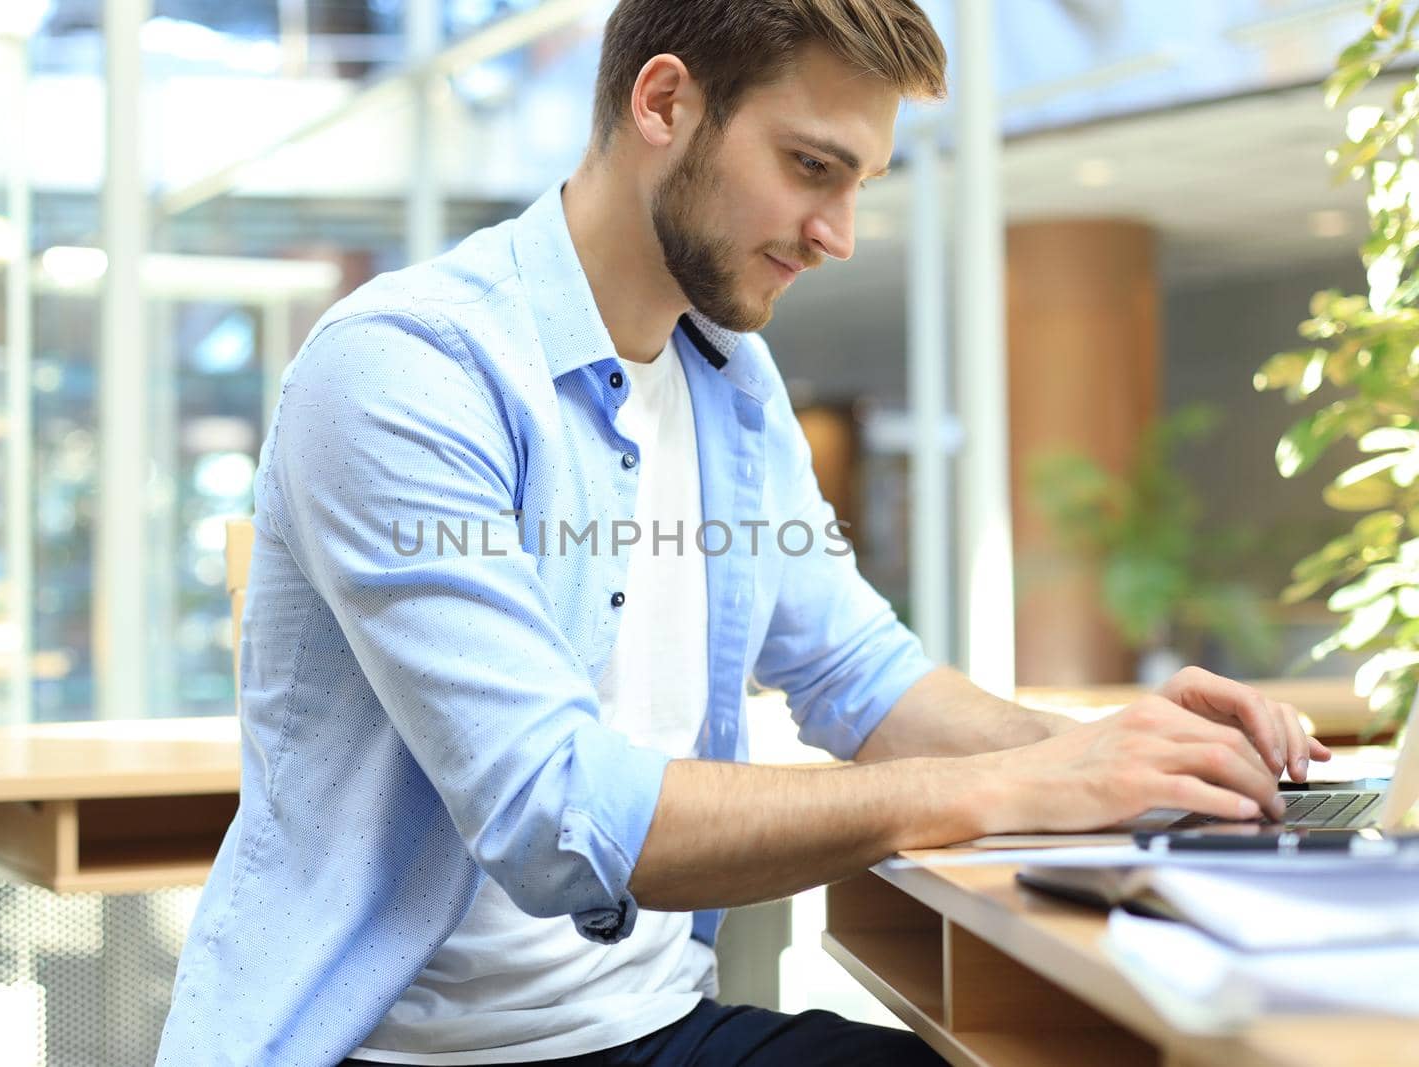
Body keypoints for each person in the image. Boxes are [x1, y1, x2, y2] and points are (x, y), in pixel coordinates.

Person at [155, 2, 1333, 1064]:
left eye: (859, 181)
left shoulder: (730, 378)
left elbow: (859, 675)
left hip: (648, 1019)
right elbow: (556, 812)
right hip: (392, 1049)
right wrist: (1017, 780)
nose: (839, 234)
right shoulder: (404, 368)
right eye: (811, 167)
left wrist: (1134, 760)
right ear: (662, 102)